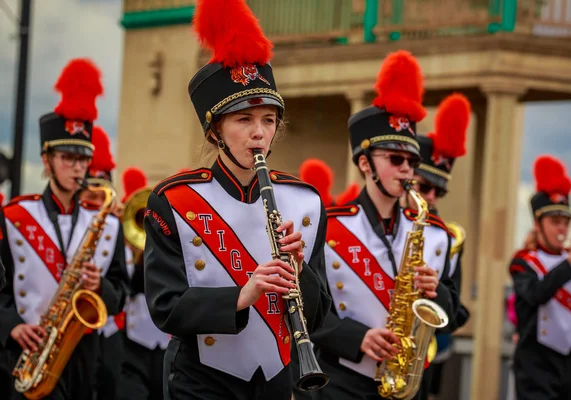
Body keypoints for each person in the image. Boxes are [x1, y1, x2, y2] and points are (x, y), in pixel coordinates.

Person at [143, 1, 331, 399]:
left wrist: (299, 272)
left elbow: (320, 315)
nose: (258, 134)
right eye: (244, 120)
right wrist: (243, 295)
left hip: (279, 380)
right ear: (215, 132)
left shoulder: (306, 203)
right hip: (200, 380)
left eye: (267, 120)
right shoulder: (175, 200)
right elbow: (164, 307)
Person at [293, 50, 459, 400]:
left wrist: (436, 292)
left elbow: (453, 315)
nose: (406, 171)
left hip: (406, 385)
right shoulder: (327, 227)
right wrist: (358, 338)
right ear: (365, 164)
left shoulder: (435, 235)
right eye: (395, 159)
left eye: (412, 162)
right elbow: (304, 311)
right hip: (340, 383)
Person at [0, 58, 128, 400]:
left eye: (83, 159)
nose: (77, 168)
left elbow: (120, 294)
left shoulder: (108, 224)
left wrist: (99, 284)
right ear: (47, 160)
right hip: (27, 351)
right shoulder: (14, 216)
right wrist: (10, 325)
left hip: (85, 357)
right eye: (68, 158)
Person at [509, 155, 571, 400]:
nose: (562, 229)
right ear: (538, 224)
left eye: (566, 222)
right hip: (535, 363)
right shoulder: (523, 262)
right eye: (555, 222)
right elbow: (536, 293)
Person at [409, 93, 472, 400]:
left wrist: (439, 298)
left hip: (422, 357)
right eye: (425, 187)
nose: (432, 197)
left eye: (438, 191)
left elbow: (455, 308)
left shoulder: (450, 238)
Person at [79, 125, 128, 400]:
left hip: (106, 338)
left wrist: (101, 286)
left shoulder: (113, 229)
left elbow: (123, 290)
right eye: (91, 196)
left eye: (103, 197)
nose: (98, 204)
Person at [118, 166, 170, 400]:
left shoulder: (166, 250)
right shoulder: (126, 251)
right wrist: (128, 247)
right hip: (133, 343)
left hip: (165, 344)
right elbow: (124, 284)